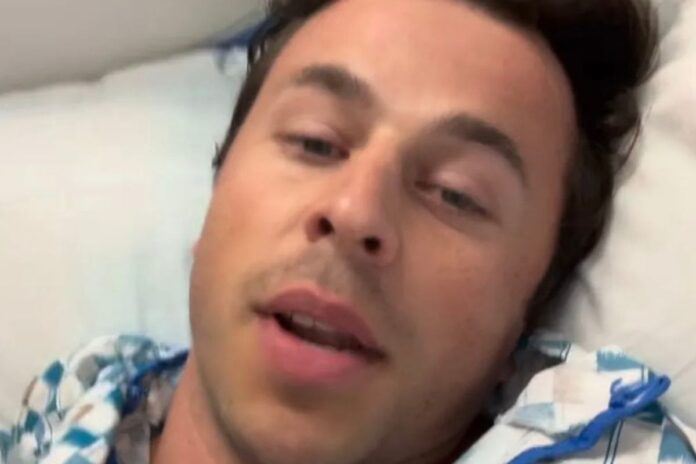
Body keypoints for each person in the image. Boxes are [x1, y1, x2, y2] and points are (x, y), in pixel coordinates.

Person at [3, 0, 693, 463]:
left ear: (528, 312)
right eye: (315, 142)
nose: (356, 210)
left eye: (456, 194)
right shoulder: (77, 397)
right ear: (214, 199)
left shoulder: (608, 446)